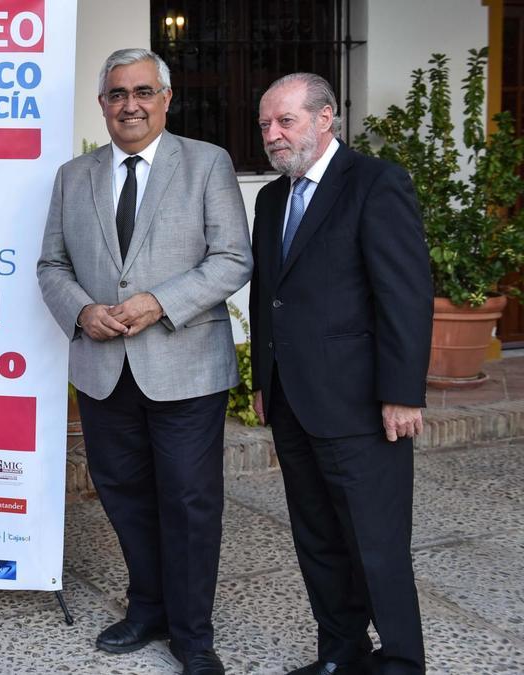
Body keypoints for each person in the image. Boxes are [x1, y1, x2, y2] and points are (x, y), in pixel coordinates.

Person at [37, 48, 252, 675]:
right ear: (102, 104)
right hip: (105, 371)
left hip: (186, 366)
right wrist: (81, 311)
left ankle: (192, 635)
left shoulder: (207, 164)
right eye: (116, 94)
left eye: (142, 92)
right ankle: (148, 608)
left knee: (189, 502)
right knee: (125, 495)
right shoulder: (73, 177)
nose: (129, 104)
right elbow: (52, 265)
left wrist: (159, 301)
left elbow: (233, 258)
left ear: (165, 99)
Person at [250, 73, 431, 675]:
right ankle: (342, 654)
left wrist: (402, 394)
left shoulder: (376, 183)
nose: (273, 136)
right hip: (292, 400)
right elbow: (268, 296)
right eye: (266, 125)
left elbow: (404, 296)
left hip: (360, 403)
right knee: (318, 539)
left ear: (325, 119)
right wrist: (261, 378)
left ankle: (402, 661)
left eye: (286, 121)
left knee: (375, 543)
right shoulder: (274, 197)